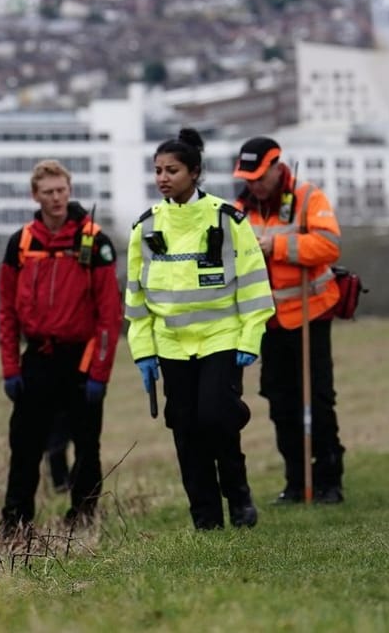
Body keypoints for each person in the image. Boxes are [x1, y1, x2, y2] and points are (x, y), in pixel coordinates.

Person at [125, 128, 275, 530]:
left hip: (221, 340)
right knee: (186, 432)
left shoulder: (227, 220)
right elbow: (136, 302)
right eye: (157, 170)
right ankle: (205, 518)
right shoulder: (145, 229)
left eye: (171, 170)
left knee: (215, 418)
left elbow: (254, 285)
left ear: (194, 172)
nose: (162, 177)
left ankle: (238, 495)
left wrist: (249, 338)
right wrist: (143, 353)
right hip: (172, 347)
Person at [0, 160, 122, 532]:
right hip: (37, 356)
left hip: (80, 358)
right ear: (35, 195)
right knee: (25, 445)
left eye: (61, 190)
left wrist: (99, 372)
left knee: (87, 444)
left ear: (69, 190)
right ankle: (15, 521)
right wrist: (10, 367)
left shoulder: (94, 241)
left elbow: (109, 315)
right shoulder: (20, 244)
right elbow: (6, 311)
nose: (56, 198)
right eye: (48, 192)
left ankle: (83, 517)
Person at [231, 136, 346, 506]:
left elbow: (328, 246)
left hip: (311, 316)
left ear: (278, 166)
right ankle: (295, 481)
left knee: (317, 399)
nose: (254, 184)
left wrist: (277, 247)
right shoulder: (238, 208)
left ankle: (329, 480)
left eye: (259, 176)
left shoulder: (308, 197)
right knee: (279, 402)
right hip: (269, 321)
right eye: (248, 177)